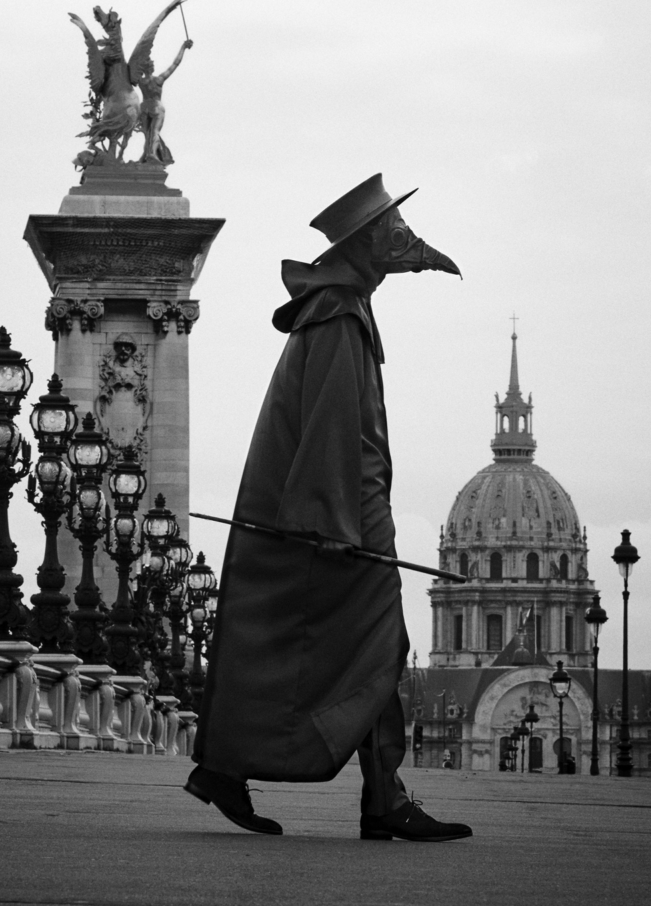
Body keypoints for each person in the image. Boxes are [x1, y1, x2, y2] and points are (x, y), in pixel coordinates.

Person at [185, 174, 472, 842]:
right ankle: (381, 797)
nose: (409, 246)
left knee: (316, 650)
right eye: (396, 235)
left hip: (337, 511)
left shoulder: (339, 308)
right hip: (343, 517)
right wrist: (336, 524)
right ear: (371, 244)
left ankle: (365, 792)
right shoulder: (341, 316)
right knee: (377, 646)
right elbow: (334, 429)